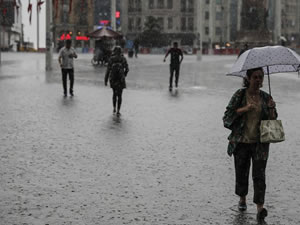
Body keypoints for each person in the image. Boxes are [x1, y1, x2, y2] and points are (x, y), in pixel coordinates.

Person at [223, 67, 277, 222]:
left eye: (261, 77)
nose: (258, 80)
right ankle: (242, 198)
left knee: (259, 175)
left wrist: (272, 109)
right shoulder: (240, 95)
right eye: (255, 77)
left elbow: (272, 121)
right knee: (242, 171)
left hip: (260, 143)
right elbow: (228, 115)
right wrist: (245, 109)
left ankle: (260, 207)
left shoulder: (266, 97)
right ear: (248, 78)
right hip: (241, 141)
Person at [105, 46, 129, 116]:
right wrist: (124, 75)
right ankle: (118, 110)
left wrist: (106, 79)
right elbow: (127, 69)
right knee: (120, 95)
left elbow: (108, 70)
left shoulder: (112, 59)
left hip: (113, 78)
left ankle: (114, 108)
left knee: (114, 94)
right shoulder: (123, 59)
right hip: (121, 79)